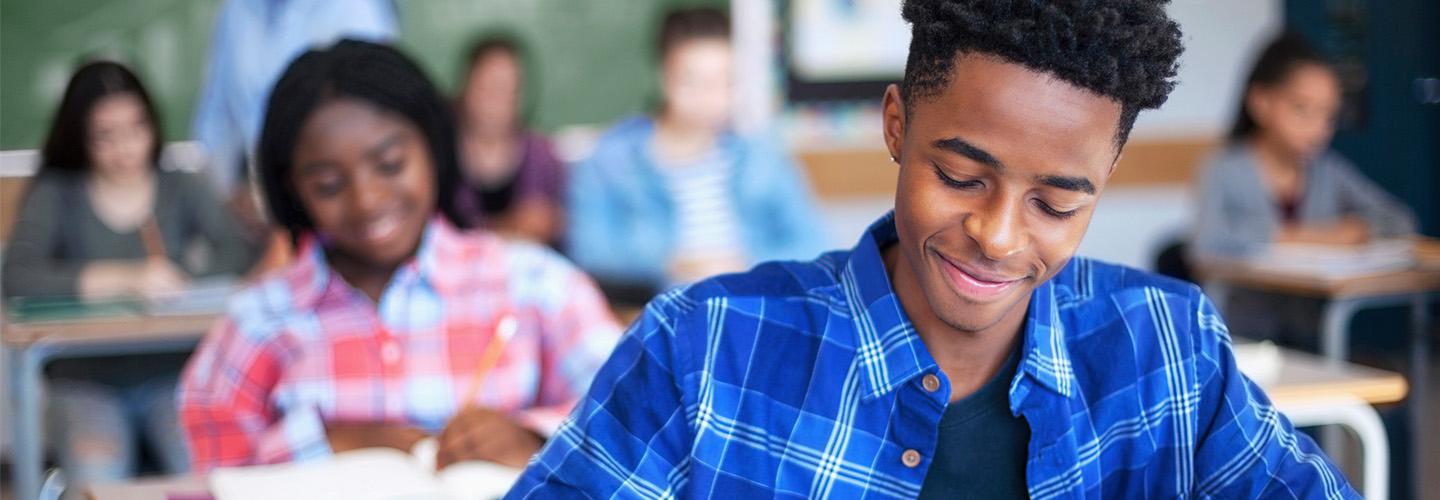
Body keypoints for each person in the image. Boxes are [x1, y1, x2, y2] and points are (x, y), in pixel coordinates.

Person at [509, 1, 1357, 498]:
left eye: (1057, 202)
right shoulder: (703, 350)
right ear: (896, 126)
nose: (997, 235)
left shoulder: (1169, 352)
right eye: (959, 176)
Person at [178, 40, 621, 472]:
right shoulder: (258, 317)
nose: (367, 200)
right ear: (292, 190)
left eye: (390, 164)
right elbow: (209, 468)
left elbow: (631, 413)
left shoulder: (534, 282)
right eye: (329, 185)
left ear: (434, 146)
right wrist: (318, 443)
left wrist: (534, 436)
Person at [2, 61, 259, 497]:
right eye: (106, 135)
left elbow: (238, 250)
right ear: (80, 138)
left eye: (136, 128)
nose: (126, 148)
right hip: (85, 382)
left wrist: (181, 277)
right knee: (100, 471)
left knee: (199, 468)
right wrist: (126, 277)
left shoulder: (181, 184)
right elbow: (19, 277)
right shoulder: (57, 192)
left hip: (173, 378)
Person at [567, 7, 826, 290]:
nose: (711, 98)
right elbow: (590, 250)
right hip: (659, 311)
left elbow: (815, 242)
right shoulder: (610, 159)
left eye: (724, 82)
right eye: (694, 82)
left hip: (751, 304)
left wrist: (746, 262)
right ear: (663, 76)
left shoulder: (760, 156)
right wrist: (672, 262)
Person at [1188, 33, 1416, 341]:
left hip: (1313, 332)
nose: (1317, 128)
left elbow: (1401, 220)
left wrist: (1359, 230)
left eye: (1328, 115)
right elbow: (1206, 246)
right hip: (1241, 334)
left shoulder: (1329, 170)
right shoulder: (1223, 168)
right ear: (1261, 102)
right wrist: (1310, 236)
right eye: (1302, 109)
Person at [191, 0, 398, 236]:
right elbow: (215, 120)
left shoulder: (353, 6)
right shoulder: (237, 10)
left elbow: (364, 121)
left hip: (329, 202)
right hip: (254, 209)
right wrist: (230, 194)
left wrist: (289, 208)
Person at [454, 35, 567, 246]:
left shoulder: (542, 156)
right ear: (464, 86)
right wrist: (509, 226)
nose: (497, 103)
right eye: (488, 88)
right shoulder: (440, 154)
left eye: (509, 90)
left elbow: (564, 228)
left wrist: (553, 223)